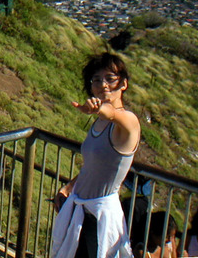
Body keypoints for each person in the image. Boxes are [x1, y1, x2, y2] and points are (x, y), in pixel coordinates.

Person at [51, 53, 141, 258]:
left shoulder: (128, 122)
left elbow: (114, 114)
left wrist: (101, 109)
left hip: (100, 218)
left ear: (124, 84)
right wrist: (69, 187)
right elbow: (92, 167)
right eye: (97, 80)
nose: (103, 85)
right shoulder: (99, 123)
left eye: (110, 78)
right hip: (81, 211)